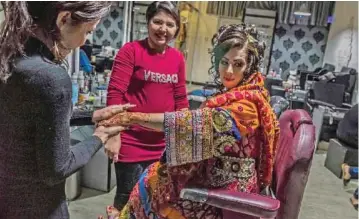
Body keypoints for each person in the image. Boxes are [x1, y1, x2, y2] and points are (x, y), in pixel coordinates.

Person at [99, 23, 280, 219]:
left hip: (228, 190)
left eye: (238, 64)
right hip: (216, 177)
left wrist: (133, 117)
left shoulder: (248, 106)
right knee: (153, 176)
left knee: (158, 187)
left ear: (249, 67)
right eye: (224, 62)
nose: (228, 70)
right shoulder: (239, 94)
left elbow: (196, 126)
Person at [0, 2, 129, 219]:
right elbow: (57, 169)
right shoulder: (51, 77)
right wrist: (100, 136)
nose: (84, 42)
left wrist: (91, 116)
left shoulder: (10, 56)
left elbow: (32, 120)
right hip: (38, 208)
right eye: (87, 31)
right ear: (64, 19)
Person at [105, 1, 189, 211]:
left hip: (163, 145)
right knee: (127, 200)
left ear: (176, 29)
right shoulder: (131, 51)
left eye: (170, 24)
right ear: (148, 22)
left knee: (156, 201)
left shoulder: (177, 58)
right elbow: (115, 94)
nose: (163, 29)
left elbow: (180, 99)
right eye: (158, 22)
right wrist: (113, 135)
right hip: (131, 142)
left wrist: (185, 137)